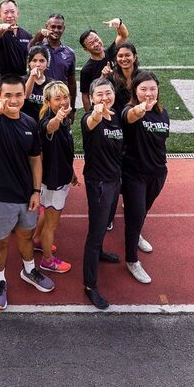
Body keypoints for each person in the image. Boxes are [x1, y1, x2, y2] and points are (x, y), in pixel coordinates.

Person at [0, 74, 55, 310]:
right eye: (7, 95)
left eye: (18, 95)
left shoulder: (30, 123)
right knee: (0, 242)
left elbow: (35, 159)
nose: (13, 100)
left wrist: (36, 191)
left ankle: (29, 270)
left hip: (26, 196)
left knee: (25, 237)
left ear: (25, 95)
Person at [120, 72, 170, 285]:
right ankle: (132, 260)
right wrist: (140, 110)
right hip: (134, 174)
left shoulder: (163, 113)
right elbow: (130, 116)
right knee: (135, 214)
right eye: (143, 89)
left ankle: (137, 233)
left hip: (158, 173)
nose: (148, 93)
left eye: (152, 89)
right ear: (135, 91)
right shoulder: (128, 110)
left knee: (144, 211)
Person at [80, 78, 124, 309]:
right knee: (95, 233)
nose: (105, 98)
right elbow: (92, 120)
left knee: (106, 222)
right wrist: (97, 113)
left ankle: (99, 252)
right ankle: (90, 285)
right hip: (98, 183)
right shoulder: (89, 118)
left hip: (114, 180)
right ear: (91, 98)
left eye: (108, 93)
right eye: (99, 94)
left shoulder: (116, 116)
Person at [32, 81, 78, 275]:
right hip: (53, 181)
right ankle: (47, 261)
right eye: (57, 98)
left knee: (46, 212)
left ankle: (36, 240)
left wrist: (71, 172)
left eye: (65, 97)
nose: (63, 101)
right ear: (48, 101)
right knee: (52, 223)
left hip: (59, 176)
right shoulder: (49, 120)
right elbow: (49, 128)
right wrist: (58, 118)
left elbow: (64, 150)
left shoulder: (64, 119)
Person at [28, 13, 77, 112]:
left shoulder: (69, 53)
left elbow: (71, 82)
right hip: (39, 98)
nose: (56, 30)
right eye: (53, 27)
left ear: (64, 29)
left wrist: (72, 108)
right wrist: (40, 34)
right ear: (47, 27)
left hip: (60, 100)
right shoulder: (39, 47)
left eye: (59, 27)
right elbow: (30, 46)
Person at [79, 18, 129, 112]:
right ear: (86, 49)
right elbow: (85, 95)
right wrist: (90, 114)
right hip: (105, 108)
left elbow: (123, 35)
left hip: (124, 103)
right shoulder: (86, 70)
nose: (96, 44)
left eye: (96, 40)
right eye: (91, 43)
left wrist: (119, 23)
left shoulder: (112, 51)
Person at [0, 0, 31, 76]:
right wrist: (3, 27)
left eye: (12, 12)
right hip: (3, 80)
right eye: (6, 12)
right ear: (0, 15)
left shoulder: (26, 35)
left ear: (18, 13)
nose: (10, 16)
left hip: (22, 79)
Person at [110, 42, 140, 117]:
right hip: (118, 119)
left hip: (139, 117)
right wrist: (103, 76)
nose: (123, 59)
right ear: (116, 59)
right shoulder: (111, 78)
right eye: (120, 56)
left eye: (127, 55)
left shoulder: (143, 77)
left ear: (134, 57)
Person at [23, 46, 49, 121]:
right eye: (34, 61)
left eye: (42, 61)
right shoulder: (21, 81)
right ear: (29, 63)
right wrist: (32, 76)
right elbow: (25, 95)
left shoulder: (51, 84)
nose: (38, 64)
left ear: (47, 63)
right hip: (26, 122)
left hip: (44, 123)